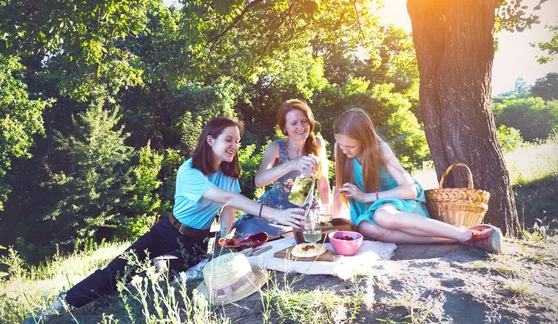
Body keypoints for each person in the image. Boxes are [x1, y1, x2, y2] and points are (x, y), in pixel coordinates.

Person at [52, 117, 305, 310]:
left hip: (195, 242)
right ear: (210, 140)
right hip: (165, 233)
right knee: (115, 273)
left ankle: (154, 270)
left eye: (237, 141)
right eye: (229, 139)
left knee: (172, 281)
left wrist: (225, 237)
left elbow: (229, 207)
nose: (235, 146)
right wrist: (273, 214)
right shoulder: (190, 171)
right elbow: (228, 198)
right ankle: (61, 305)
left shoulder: (229, 174)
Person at [331, 108, 502, 253]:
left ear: (365, 140)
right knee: (365, 228)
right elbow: (339, 188)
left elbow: (410, 190)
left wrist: (366, 197)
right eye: (340, 144)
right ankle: (452, 238)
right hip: (374, 209)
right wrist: (333, 221)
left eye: (350, 146)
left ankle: (464, 234)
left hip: (402, 203)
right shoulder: (341, 148)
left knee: (383, 216)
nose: (344, 150)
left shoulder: (381, 150)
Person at [232, 99, 331, 239]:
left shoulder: (317, 143)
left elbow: (323, 185)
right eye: (294, 123)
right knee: (246, 233)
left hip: (303, 210)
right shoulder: (276, 147)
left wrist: (328, 215)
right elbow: (259, 181)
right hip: (273, 208)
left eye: (304, 121)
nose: (301, 127)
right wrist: (292, 164)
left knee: (306, 238)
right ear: (284, 128)